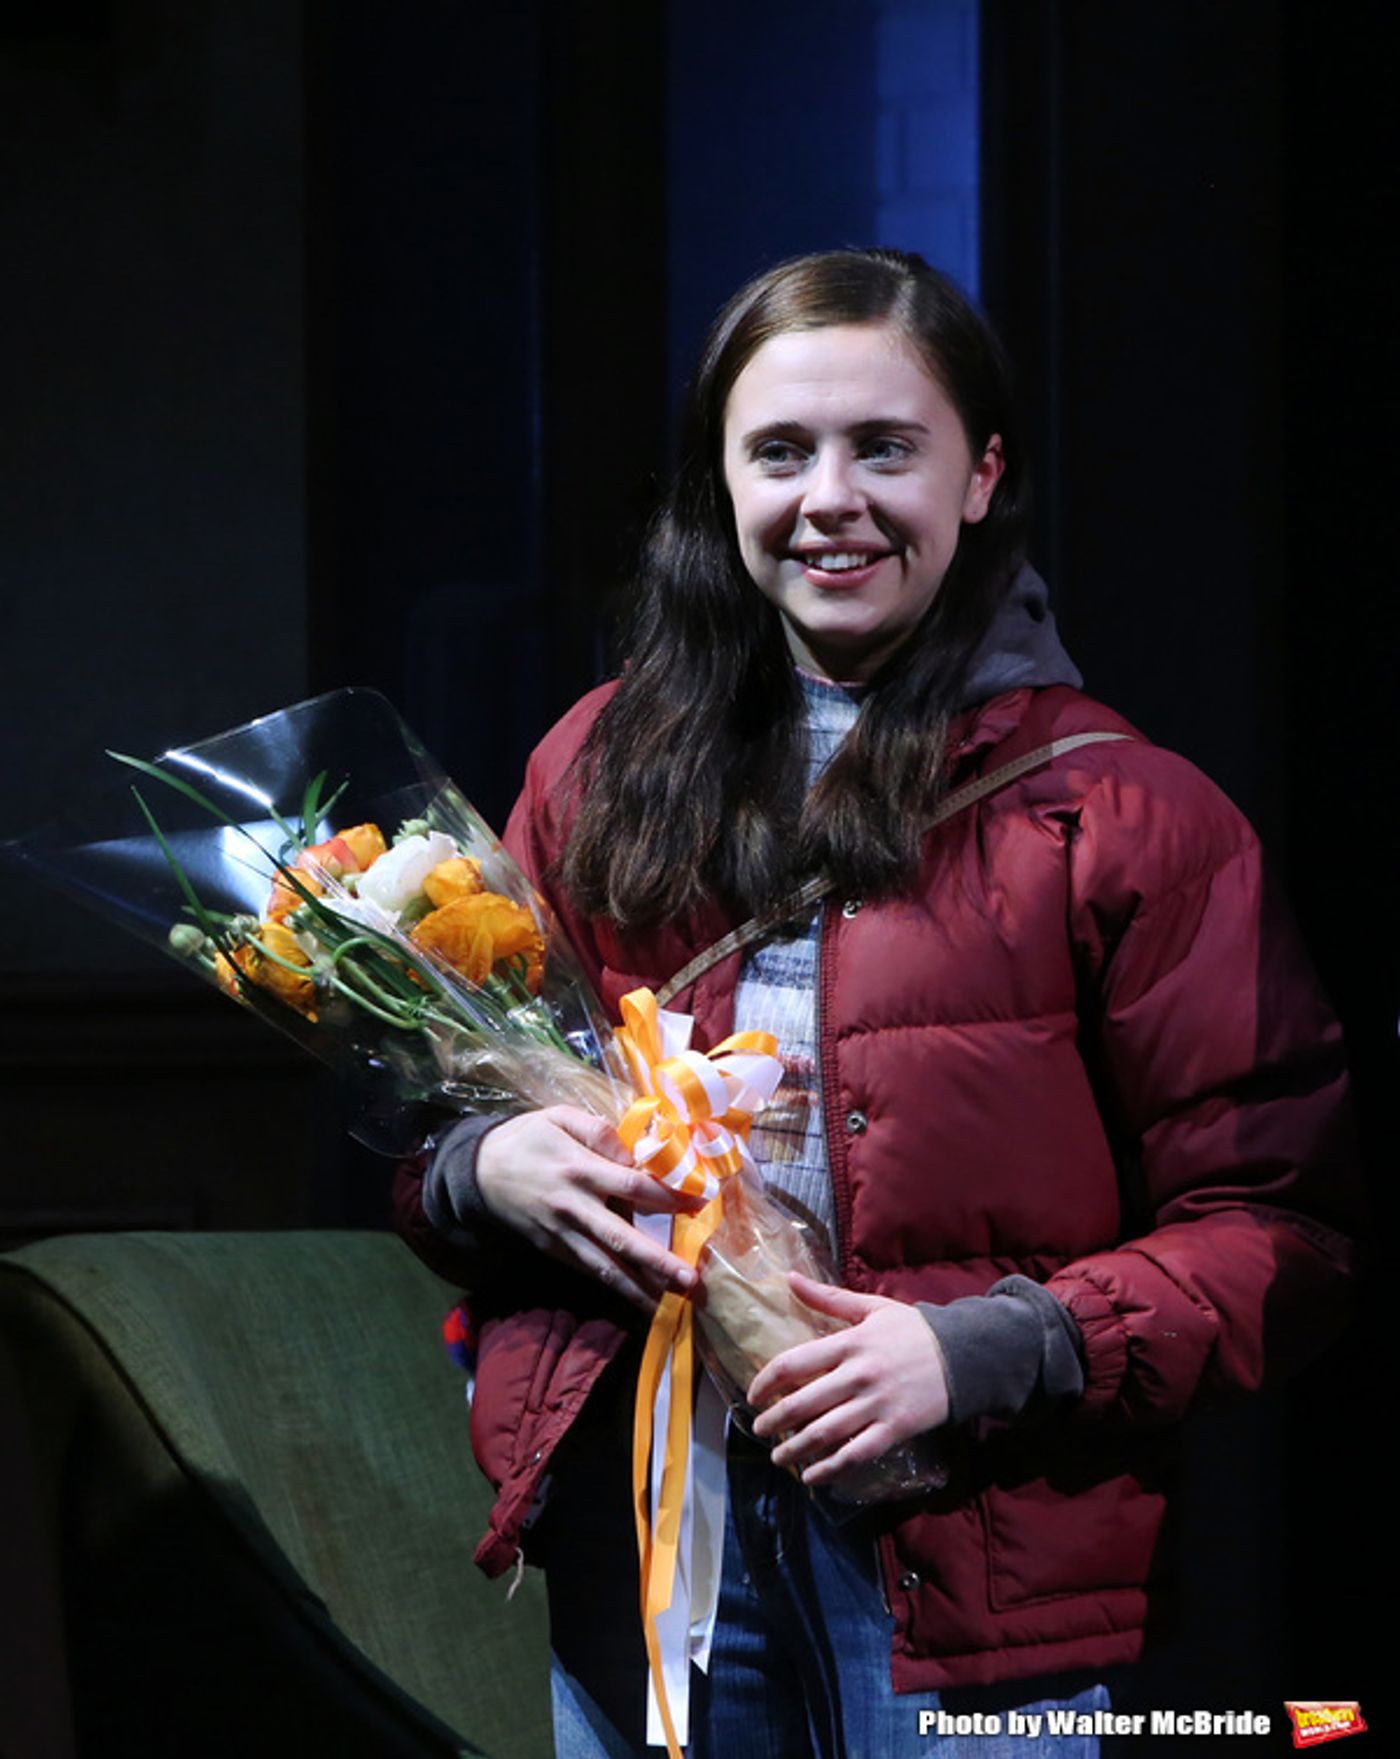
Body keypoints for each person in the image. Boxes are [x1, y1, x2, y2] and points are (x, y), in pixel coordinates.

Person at [395, 249, 1354, 1758]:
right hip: (650, 1533)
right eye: (779, 451)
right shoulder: (591, 771)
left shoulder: (1120, 813)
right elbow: (447, 1112)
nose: (828, 497)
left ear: (979, 477)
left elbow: (1282, 1239)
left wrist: (979, 1348)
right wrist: (483, 1169)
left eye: (883, 448)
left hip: (970, 1568)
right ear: (720, 486)